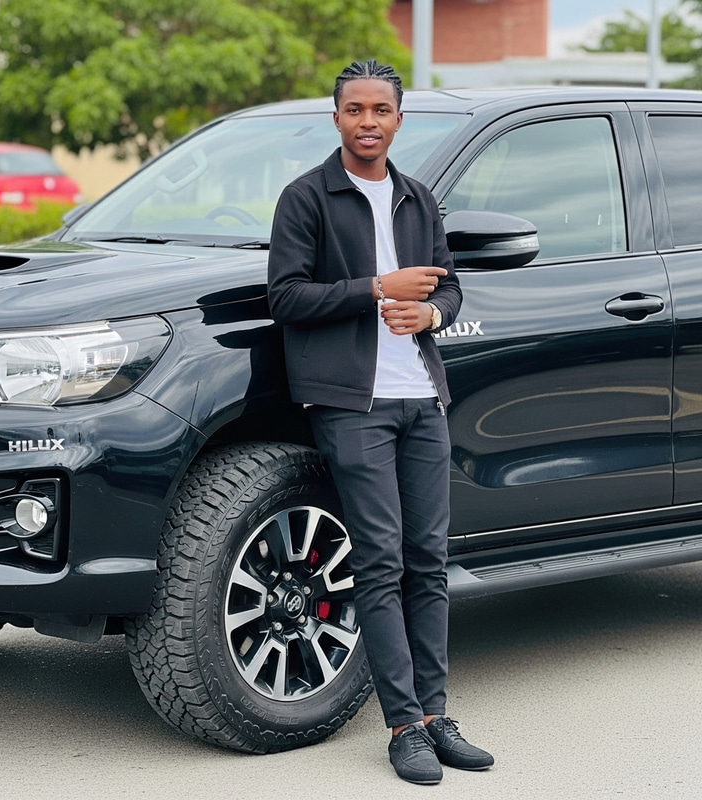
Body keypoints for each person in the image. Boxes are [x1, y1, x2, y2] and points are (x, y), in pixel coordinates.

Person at [267, 59, 493, 784]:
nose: (368, 121)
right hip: (351, 403)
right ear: (336, 117)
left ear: (399, 119)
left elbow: (449, 288)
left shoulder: (417, 198)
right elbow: (285, 297)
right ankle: (403, 726)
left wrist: (431, 314)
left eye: (381, 110)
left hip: (422, 396)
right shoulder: (306, 197)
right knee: (381, 559)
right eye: (355, 109)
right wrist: (374, 288)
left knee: (428, 559)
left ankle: (436, 715)